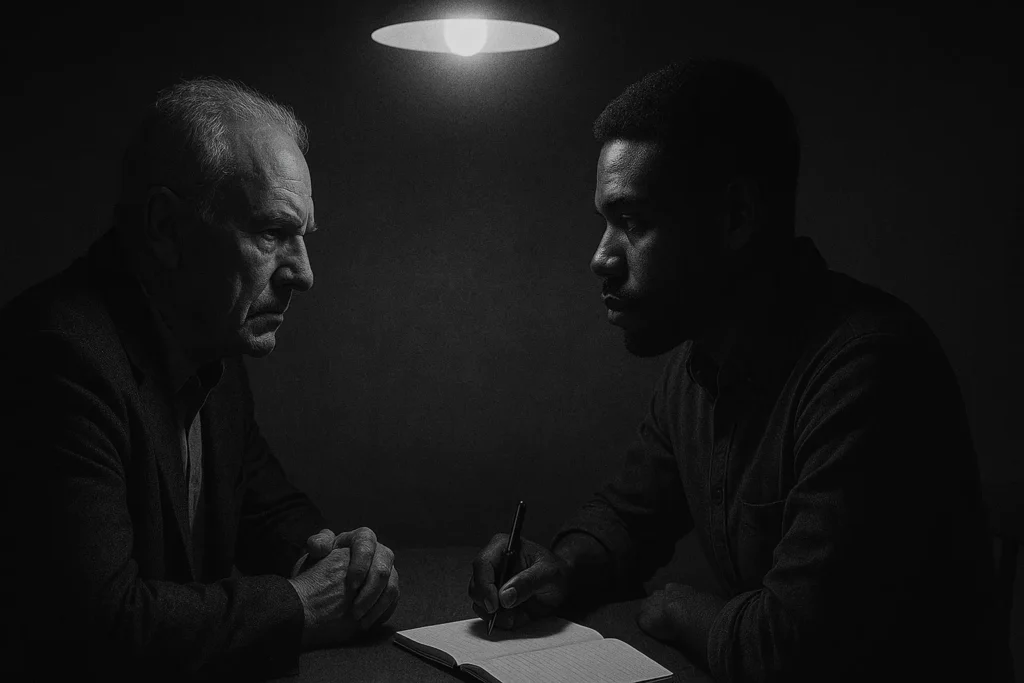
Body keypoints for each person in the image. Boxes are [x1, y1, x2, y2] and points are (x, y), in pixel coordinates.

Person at [468, 58, 1007, 682]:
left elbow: (792, 651)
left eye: (633, 222)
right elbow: (629, 515)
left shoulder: (869, 373)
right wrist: (561, 569)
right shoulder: (698, 365)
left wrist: (677, 608)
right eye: (604, 222)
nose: (600, 258)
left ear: (735, 219)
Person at [0, 78, 399, 682]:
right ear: (166, 228)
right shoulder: (56, 357)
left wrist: (343, 560)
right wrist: (299, 603)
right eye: (271, 233)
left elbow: (267, 512)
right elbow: (102, 628)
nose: (304, 274)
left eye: (303, 237)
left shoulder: (207, 337)